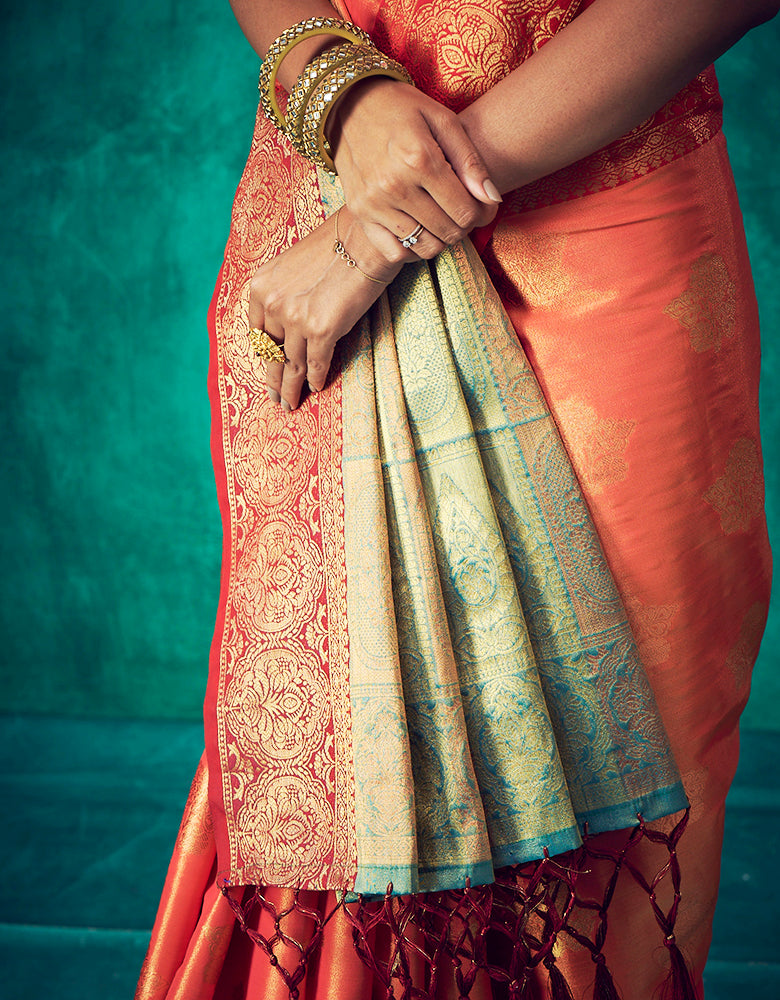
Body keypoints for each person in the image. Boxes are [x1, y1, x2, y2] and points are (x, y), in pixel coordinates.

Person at [136, 2, 778, 998]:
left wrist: (396, 210)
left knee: (637, 742)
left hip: (601, 207)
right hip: (341, 158)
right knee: (357, 714)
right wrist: (338, 89)